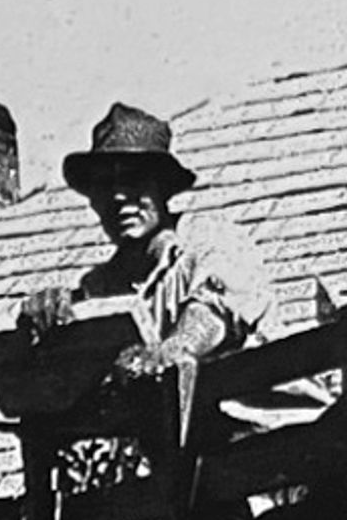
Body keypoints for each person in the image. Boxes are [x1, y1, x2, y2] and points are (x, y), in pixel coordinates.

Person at [14, 102, 272, 380]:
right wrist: (48, 320)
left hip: (256, 414)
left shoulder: (209, 238)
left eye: (132, 180)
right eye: (104, 185)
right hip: (170, 420)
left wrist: (172, 351)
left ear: (161, 187)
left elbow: (214, 313)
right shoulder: (101, 285)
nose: (118, 196)